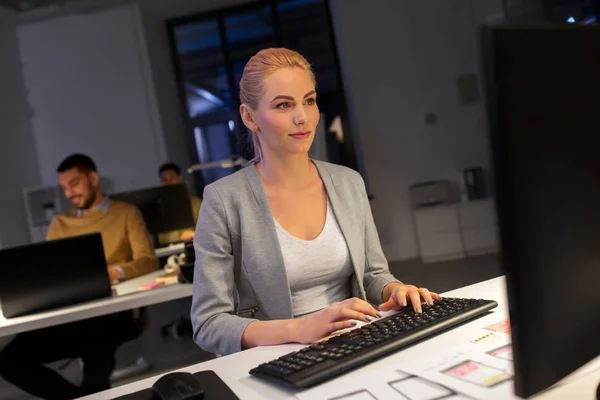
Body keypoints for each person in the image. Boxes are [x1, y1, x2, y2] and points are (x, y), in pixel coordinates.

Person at [190, 48, 439, 357]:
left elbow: (373, 275)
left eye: (309, 101)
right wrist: (300, 328)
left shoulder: (348, 182)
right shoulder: (223, 200)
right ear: (249, 117)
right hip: (279, 358)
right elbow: (208, 324)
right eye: (283, 105)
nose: (302, 117)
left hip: (355, 344)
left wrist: (396, 290)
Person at [0, 154, 159, 399]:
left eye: (74, 184)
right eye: (64, 187)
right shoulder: (60, 223)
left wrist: (115, 272)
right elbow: (48, 273)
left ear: (93, 178)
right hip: (70, 316)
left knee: (96, 347)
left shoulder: (126, 213)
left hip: (112, 315)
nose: (69, 193)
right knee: (8, 361)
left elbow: (147, 261)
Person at [157, 162, 202, 244]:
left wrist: (193, 234)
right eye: (164, 180)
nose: (168, 183)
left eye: (171, 179)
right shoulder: (158, 209)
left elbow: (207, 230)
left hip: (193, 247)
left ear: (180, 179)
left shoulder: (196, 204)